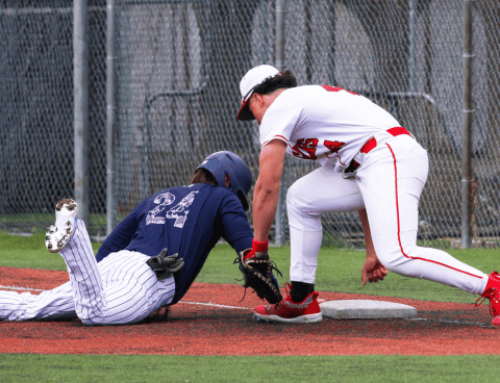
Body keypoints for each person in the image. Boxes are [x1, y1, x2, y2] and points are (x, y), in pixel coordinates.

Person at [236, 64, 500, 326]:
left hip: (390, 155)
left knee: (399, 255)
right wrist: (372, 251)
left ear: (257, 97)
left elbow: (267, 185)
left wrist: (259, 248)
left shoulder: (281, 106)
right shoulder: (306, 113)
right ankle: (301, 299)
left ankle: (492, 287)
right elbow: (355, 177)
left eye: (251, 111)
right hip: (372, 162)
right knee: (301, 198)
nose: (256, 119)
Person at [0, 151, 263, 325]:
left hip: (115, 263)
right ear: (229, 182)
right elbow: (247, 247)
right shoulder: (224, 197)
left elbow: (115, 241)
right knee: (93, 313)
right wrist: (277, 297)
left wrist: (97, 271)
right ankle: (75, 237)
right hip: (151, 275)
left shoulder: (161, 195)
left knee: (32, 306)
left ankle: (74, 240)